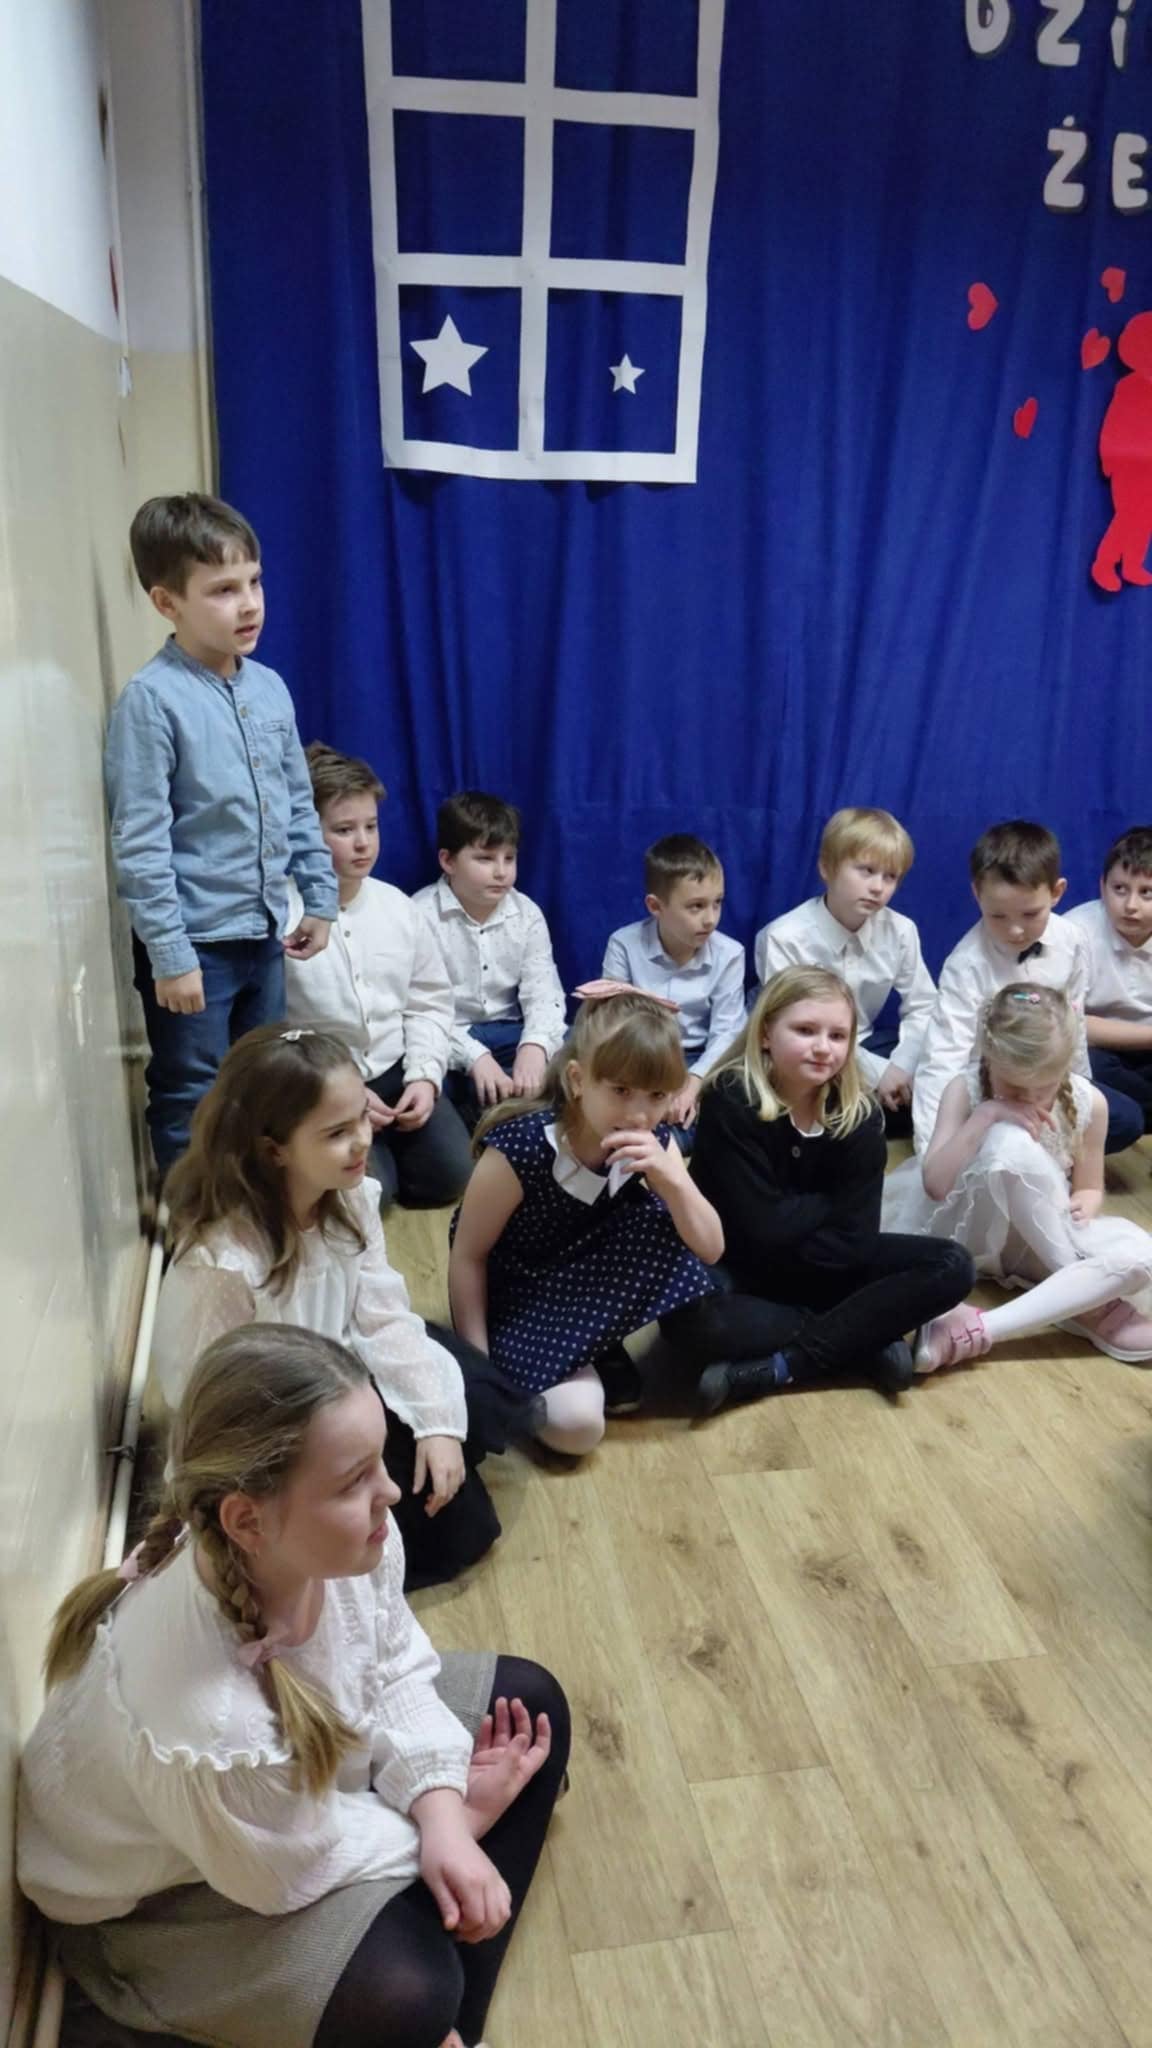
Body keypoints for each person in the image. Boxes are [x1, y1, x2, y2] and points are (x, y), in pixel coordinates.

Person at [19, 1325, 569, 2048]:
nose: (390, 1490)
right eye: (354, 1480)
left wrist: (439, 1812)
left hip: (277, 1821)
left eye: (380, 1460)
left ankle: (439, 2020)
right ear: (248, 1520)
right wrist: (463, 1823)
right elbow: (291, 1868)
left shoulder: (337, 1544)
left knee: (533, 1703)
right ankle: (434, 2019)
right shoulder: (210, 1724)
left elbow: (395, 1666)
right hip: (161, 1904)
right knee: (411, 1989)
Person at [151, 1026, 532, 1589]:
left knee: (459, 1414)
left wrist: (435, 1422)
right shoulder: (225, 1261)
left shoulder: (348, 1196)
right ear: (273, 1150)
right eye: (336, 1133)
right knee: (424, 1531)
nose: (361, 1142)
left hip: (342, 1371)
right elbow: (211, 1403)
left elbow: (380, 1314)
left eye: (361, 1119)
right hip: (279, 1422)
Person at [104, 493, 337, 1174]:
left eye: (254, 582)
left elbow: (297, 804)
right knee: (192, 1094)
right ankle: (195, 1222)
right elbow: (141, 842)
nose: (249, 604)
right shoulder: (151, 702)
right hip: (195, 945)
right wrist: (170, 955)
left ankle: (255, 1209)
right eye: (223, 590)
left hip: (261, 930)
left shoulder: (270, 689)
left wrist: (319, 897)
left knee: (265, 1086)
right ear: (167, 603)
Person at [448, 984, 751, 1451]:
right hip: (521, 1289)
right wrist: (478, 1371)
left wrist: (673, 1179)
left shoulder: (655, 1139)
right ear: (577, 1080)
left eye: (656, 1095)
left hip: (586, 1273)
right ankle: (581, 1350)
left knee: (669, 1224)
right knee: (577, 1428)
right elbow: (468, 1257)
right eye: (621, 1090)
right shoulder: (523, 1146)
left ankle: (596, 1342)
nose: (639, 1113)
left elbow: (710, 1248)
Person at [688, 967, 974, 1410]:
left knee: (953, 1264)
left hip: (826, 1270)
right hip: (741, 1268)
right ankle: (861, 1337)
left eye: (838, 1036)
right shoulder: (730, 1098)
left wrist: (793, 1215)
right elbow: (758, 1231)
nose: (823, 1047)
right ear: (765, 1034)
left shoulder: (860, 1114)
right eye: (805, 1030)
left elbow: (855, 1244)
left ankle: (785, 1365)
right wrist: (829, 1202)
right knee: (694, 1318)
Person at [884, 985, 1152, 1368]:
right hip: (968, 1229)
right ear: (989, 1058)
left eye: (1042, 1088)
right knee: (1010, 1142)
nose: (1027, 1099)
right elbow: (935, 1185)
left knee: (1142, 1255)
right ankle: (1090, 1302)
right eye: (1012, 1087)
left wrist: (1086, 1202)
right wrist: (987, 1116)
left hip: (1038, 1236)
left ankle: (978, 1329)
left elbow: (1090, 1186)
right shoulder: (964, 1089)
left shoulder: (1090, 1103)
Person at [284, 744, 472, 1209]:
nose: (363, 843)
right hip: (323, 1085)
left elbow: (429, 1002)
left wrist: (425, 1077)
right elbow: (276, 1031)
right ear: (304, 832)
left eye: (370, 826)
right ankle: (369, 1157)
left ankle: (386, 1148)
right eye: (344, 830)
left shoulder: (398, 908)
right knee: (370, 1197)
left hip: (394, 1071)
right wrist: (341, 1094)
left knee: (452, 1176)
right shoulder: (282, 916)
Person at [911, 820, 1141, 1156]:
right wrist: (932, 1155)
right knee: (986, 1132)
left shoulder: (1071, 941)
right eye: (998, 916)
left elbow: (1073, 1026)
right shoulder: (967, 964)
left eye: (1030, 914)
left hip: (1048, 1082)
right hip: (993, 1085)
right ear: (977, 894)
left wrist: (1077, 1098)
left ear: (1057, 892)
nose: (1016, 930)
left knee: (1124, 1119)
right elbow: (943, 1058)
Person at [753, 806, 935, 1129]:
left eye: (890, 877)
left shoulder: (901, 931)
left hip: (865, 1044)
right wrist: (879, 1074)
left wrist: (901, 1067)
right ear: (827, 868)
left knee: (940, 1078)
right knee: (785, 1093)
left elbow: (923, 1006)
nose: (878, 887)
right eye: (866, 871)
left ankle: (875, 1109)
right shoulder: (783, 937)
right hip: (808, 1050)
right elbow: (790, 1028)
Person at [411, 792, 566, 1130]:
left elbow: (543, 992)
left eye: (509, 858)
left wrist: (535, 1046)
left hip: (510, 1032)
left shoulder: (526, 914)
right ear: (448, 861)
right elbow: (419, 1009)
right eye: (485, 859)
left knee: (576, 1055)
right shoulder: (419, 916)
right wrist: (474, 1057)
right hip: (449, 1035)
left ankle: (515, 1109)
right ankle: (494, 1115)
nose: (501, 872)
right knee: (426, 1075)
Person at [602, 833, 746, 1136]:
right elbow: (613, 1022)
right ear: (656, 906)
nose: (710, 919)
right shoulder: (623, 944)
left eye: (717, 903)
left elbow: (727, 1032)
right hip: (638, 1051)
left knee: (736, 1092)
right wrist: (657, 1083)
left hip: (698, 1056)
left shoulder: (730, 954)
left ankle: (675, 1139)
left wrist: (694, 1082)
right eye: (696, 906)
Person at [1066, 827, 1152, 1134]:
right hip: (1098, 1052)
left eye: (1147, 893)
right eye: (1120, 889)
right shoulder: (1075, 932)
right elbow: (1069, 1021)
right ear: (1102, 887)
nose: (1131, 906)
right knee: (1082, 1067)